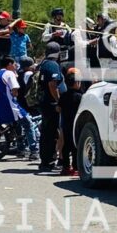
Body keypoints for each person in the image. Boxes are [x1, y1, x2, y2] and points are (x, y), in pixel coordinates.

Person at [0, 56, 39, 162]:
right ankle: (34, 151)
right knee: (28, 124)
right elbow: (15, 88)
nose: (15, 66)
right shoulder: (9, 73)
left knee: (18, 127)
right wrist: (15, 95)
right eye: (13, 64)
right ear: (9, 65)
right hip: (11, 106)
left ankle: (21, 150)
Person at [37, 42, 67, 173]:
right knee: (51, 133)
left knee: (46, 133)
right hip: (51, 104)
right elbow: (52, 85)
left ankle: (45, 161)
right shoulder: (53, 65)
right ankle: (48, 161)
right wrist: (59, 100)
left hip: (45, 103)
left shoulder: (43, 64)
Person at [59, 67, 84, 176]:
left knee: (66, 146)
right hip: (76, 124)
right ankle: (76, 167)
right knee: (75, 146)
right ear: (77, 83)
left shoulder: (63, 95)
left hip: (66, 123)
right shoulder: (80, 96)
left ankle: (65, 167)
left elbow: (58, 108)